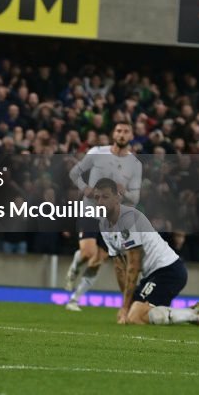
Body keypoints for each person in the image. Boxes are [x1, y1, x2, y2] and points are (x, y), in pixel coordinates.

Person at [94, 178, 199, 328]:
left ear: (117, 197)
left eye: (105, 197)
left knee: (134, 316)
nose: (100, 202)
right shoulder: (104, 224)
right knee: (137, 313)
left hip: (169, 271)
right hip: (151, 276)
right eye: (97, 197)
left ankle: (197, 314)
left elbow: (133, 264)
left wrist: (125, 308)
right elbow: (119, 266)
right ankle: (192, 312)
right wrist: (126, 302)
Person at [65, 120, 142, 311]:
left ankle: (74, 299)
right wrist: (86, 188)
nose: (122, 134)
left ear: (131, 136)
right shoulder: (97, 153)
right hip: (90, 208)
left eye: (126, 131)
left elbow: (135, 197)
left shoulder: (135, 164)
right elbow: (75, 173)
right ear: (113, 134)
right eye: (118, 131)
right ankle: (75, 266)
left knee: (99, 259)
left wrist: (125, 193)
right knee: (88, 253)